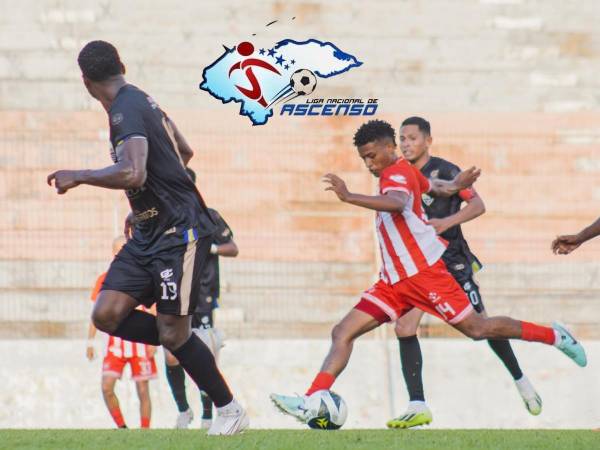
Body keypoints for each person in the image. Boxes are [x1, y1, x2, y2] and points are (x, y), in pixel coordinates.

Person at [270, 119, 586, 424]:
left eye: (371, 156)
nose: (368, 164)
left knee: (479, 329)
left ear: (388, 147)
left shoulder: (395, 175)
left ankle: (556, 337)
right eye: (363, 158)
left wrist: (350, 196)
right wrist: (454, 186)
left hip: (424, 276)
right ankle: (312, 400)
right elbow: (431, 186)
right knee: (342, 332)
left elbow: (396, 202)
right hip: (393, 283)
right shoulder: (404, 170)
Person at [47, 40, 248, 435]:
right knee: (106, 314)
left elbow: (133, 173)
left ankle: (229, 409)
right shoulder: (146, 101)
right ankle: (192, 343)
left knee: (174, 334)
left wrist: (80, 175)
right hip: (147, 233)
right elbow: (183, 152)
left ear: (86, 82)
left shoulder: (125, 110)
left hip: (179, 233)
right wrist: (143, 202)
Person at [387, 117, 540, 429]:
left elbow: (478, 205)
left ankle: (520, 378)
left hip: (453, 261)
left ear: (427, 140)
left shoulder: (446, 171)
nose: (405, 143)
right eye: (401, 138)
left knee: (482, 326)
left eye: (411, 138)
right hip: (420, 266)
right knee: (404, 326)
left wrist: (446, 222)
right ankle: (417, 403)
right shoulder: (400, 174)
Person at [162, 168, 239, 429]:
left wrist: (211, 247)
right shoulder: (164, 217)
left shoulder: (209, 216)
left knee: (204, 354)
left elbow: (233, 248)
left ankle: (208, 414)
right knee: (171, 355)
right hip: (172, 294)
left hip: (203, 296)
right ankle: (184, 411)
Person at [87, 236, 157, 429]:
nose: (121, 254)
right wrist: (90, 342)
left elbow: (153, 308)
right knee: (106, 386)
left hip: (140, 342)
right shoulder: (105, 278)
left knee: (143, 389)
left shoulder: (143, 275)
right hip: (115, 344)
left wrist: (154, 342)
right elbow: (96, 312)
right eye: (117, 251)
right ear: (113, 253)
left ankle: (145, 431)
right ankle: (122, 428)